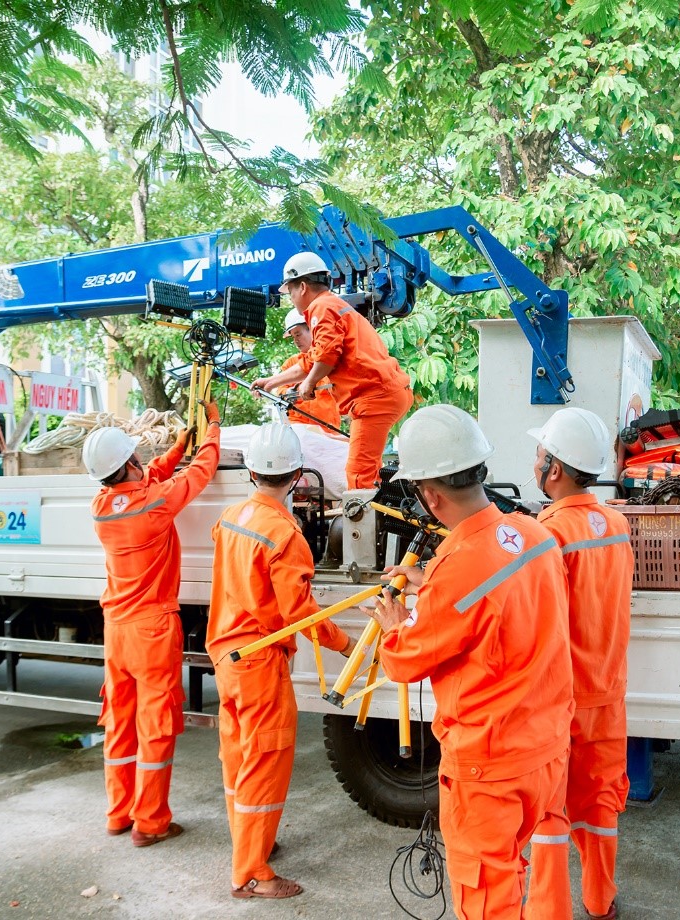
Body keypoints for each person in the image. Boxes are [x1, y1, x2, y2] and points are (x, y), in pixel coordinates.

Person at [368, 405, 573, 920]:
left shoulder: (457, 574)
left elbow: (403, 663)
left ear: (430, 496)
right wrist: (434, 586)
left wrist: (396, 625)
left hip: (489, 768)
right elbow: (494, 597)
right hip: (545, 751)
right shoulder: (536, 535)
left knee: (488, 899)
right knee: (517, 869)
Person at [208, 422, 355, 900]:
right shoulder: (285, 536)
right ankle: (250, 872)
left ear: (251, 471)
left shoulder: (232, 517)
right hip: (260, 660)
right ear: (297, 477)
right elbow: (298, 614)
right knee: (265, 762)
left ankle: (249, 845)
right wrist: (342, 642)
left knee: (239, 757)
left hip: (228, 656)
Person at [83, 402, 221, 847]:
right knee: (156, 724)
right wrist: (212, 428)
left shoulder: (103, 507)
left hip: (116, 629)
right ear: (128, 463)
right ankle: (151, 822)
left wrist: (178, 445)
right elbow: (201, 473)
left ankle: (118, 813)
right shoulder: (154, 505)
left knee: (120, 723)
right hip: (152, 628)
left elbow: (150, 478)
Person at [525, 408, 634, 920]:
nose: (535, 460)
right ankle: (600, 900)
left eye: (540, 453)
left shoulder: (548, 532)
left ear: (554, 469)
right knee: (600, 802)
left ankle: (550, 912)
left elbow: (532, 618)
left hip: (559, 697)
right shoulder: (614, 522)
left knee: (550, 809)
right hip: (607, 692)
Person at [252, 252, 413, 490]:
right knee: (369, 470)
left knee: (358, 476)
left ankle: (363, 526)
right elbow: (312, 360)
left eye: (291, 292)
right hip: (385, 394)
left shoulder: (321, 307)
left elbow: (327, 355)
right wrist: (272, 382)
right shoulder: (333, 305)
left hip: (374, 398)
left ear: (303, 287)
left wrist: (308, 384)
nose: (291, 299)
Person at [275, 308, 342, 432]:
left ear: (313, 331)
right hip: (298, 427)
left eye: (298, 334)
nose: (295, 340)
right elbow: (280, 393)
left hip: (327, 429)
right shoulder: (291, 363)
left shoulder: (331, 360)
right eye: (293, 336)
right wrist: (292, 392)